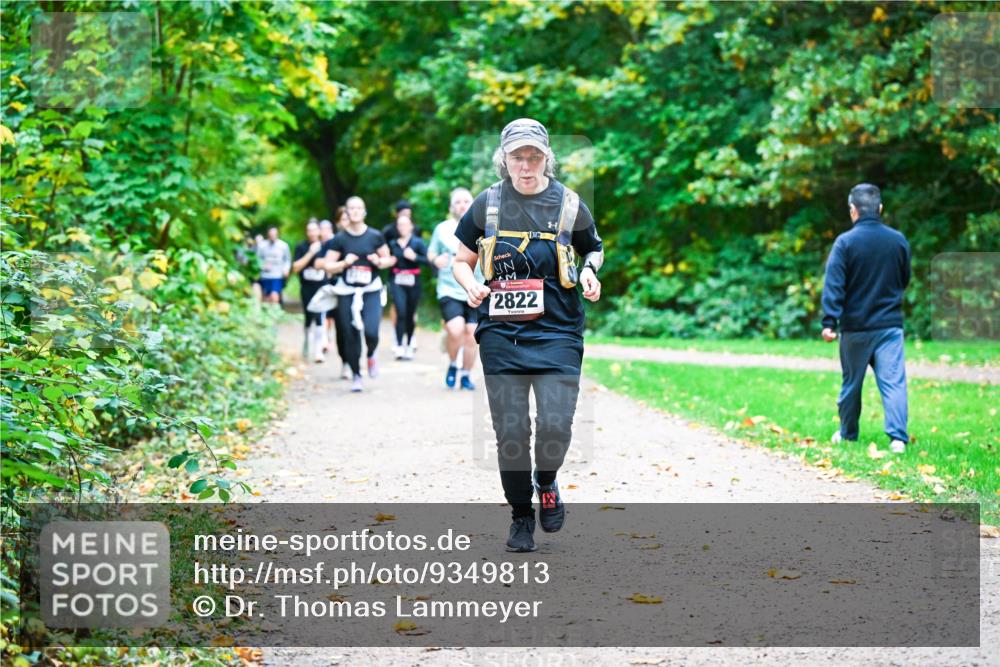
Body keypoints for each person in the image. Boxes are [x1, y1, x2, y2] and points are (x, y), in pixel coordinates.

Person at [452, 119, 604, 552]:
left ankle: (547, 480)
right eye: (517, 157)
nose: (525, 165)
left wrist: (590, 272)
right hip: (501, 335)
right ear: (504, 160)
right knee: (511, 433)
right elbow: (460, 260)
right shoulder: (487, 204)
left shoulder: (570, 203)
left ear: (545, 158)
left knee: (556, 426)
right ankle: (521, 515)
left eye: (533, 156)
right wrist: (471, 284)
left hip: (559, 331)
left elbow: (593, 248)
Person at [821, 183, 911, 453]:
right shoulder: (898, 240)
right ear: (880, 208)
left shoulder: (845, 243)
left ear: (853, 210)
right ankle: (897, 439)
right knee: (893, 383)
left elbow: (834, 285)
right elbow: (904, 278)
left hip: (856, 328)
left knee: (852, 384)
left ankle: (848, 434)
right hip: (889, 326)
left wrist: (829, 322)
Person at [323, 196, 393, 393]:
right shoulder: (340, 239)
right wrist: (343, 263)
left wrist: (378, 262)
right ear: (346, 212)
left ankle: (371, 354)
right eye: (351, 208)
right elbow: (327, 265)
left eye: (358, 208)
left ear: (364, 212)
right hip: (347, 291)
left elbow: (389, 259)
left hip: (370, 290)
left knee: (371, 331)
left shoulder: (375, 236)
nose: (355, 211)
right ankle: (356, 375)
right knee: (349, 333)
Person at [428, 187, 480, 390]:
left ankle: (466, 374)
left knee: (472, 333)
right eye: (458, 202)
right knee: (456, 329)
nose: (462, 205)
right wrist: (436, 260)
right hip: (449, 288)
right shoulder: (442, 229)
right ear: (451, 207)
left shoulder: (483, 227)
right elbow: (431, 253)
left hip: (476, 288)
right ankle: (452, 364)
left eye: (466, 201)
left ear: (473, 204)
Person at [388, 215, 428, 359]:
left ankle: (410, 344)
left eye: (405, 224)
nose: (402, 227)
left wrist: (415, 257)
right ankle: (399, 345)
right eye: (400, 224)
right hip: (397, 281)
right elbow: (387, 261)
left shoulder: (417, 243)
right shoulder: (392, 244)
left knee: (410, 314)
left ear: (411, 226)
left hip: (413, 282)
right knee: (401, 312)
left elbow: (428, 260)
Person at [292, 220, 330, 363]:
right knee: (308, 318)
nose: (312, 233)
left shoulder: (326, 246)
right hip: (306, 287)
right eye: (309, 230)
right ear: (306, 232)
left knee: (320, 317)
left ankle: (318, 351)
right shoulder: (301, 246)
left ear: (319, 231)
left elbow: (330, 264)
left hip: (321, 287)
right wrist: (311, 253)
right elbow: (295, 268)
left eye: (315, 230)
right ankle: (307, 342)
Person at [256, 227, 291, 304]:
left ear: (277, 234)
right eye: (271, 235)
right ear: (268, 235)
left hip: (278, 275)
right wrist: (263, 266)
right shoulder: (262, 246)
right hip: (265, 276)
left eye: (274, 234)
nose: (272, 236)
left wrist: (286, 269)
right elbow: (257, 260)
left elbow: (287, 260)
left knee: (275, 296)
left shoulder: (283, 246)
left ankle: (276, 309)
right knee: (267, 298)